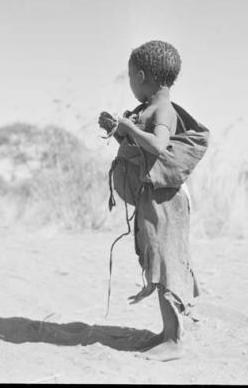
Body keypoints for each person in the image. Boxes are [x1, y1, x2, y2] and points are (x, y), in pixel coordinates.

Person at [98, 40, 209, 361]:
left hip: (167, 201)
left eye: (131, 77)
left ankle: (174, 341)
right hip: (154, 197)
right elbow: (140, 144)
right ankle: (166, 334)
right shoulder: (148, 109)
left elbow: (159, 146)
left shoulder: (163, 110)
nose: (130, 83)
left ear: (143, 75)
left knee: (167, 262)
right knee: (158, 261)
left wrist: (130, 126)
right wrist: (119, 129)